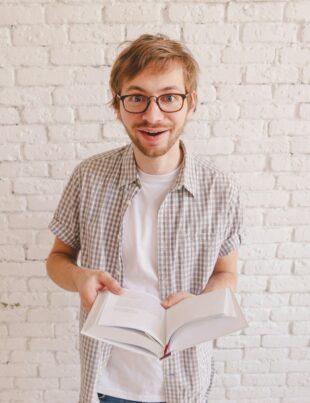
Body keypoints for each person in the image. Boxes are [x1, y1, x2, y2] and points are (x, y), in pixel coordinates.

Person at [46, 34, 243, 403]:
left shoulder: (221, 188)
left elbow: (226, 274)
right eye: (136, 98)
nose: (153, 116)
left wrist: (200, 304)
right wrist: (78, 276)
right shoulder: (88, 177)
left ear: (191, 103)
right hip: (107, 383)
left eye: (169, 97)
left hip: (184, 381)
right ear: (117, 105)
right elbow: (57, 259)